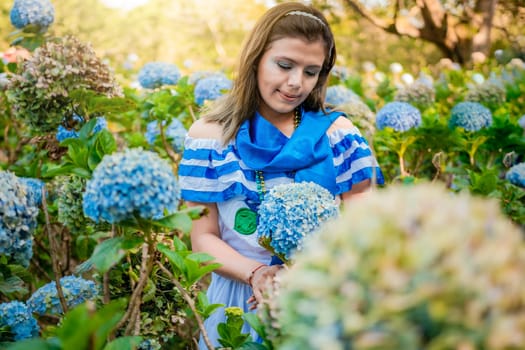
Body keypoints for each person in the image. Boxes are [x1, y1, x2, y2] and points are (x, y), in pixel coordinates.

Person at [178, 2, 384, 348]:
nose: (295, 83)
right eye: (284, 65)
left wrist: (303, 273)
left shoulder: (338, 135)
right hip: (237, 303)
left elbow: (366, 229)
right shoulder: (210, 138)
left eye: (310, 71)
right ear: (256, 58)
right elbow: (202, 239)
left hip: (320, 296)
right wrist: (257, 274)